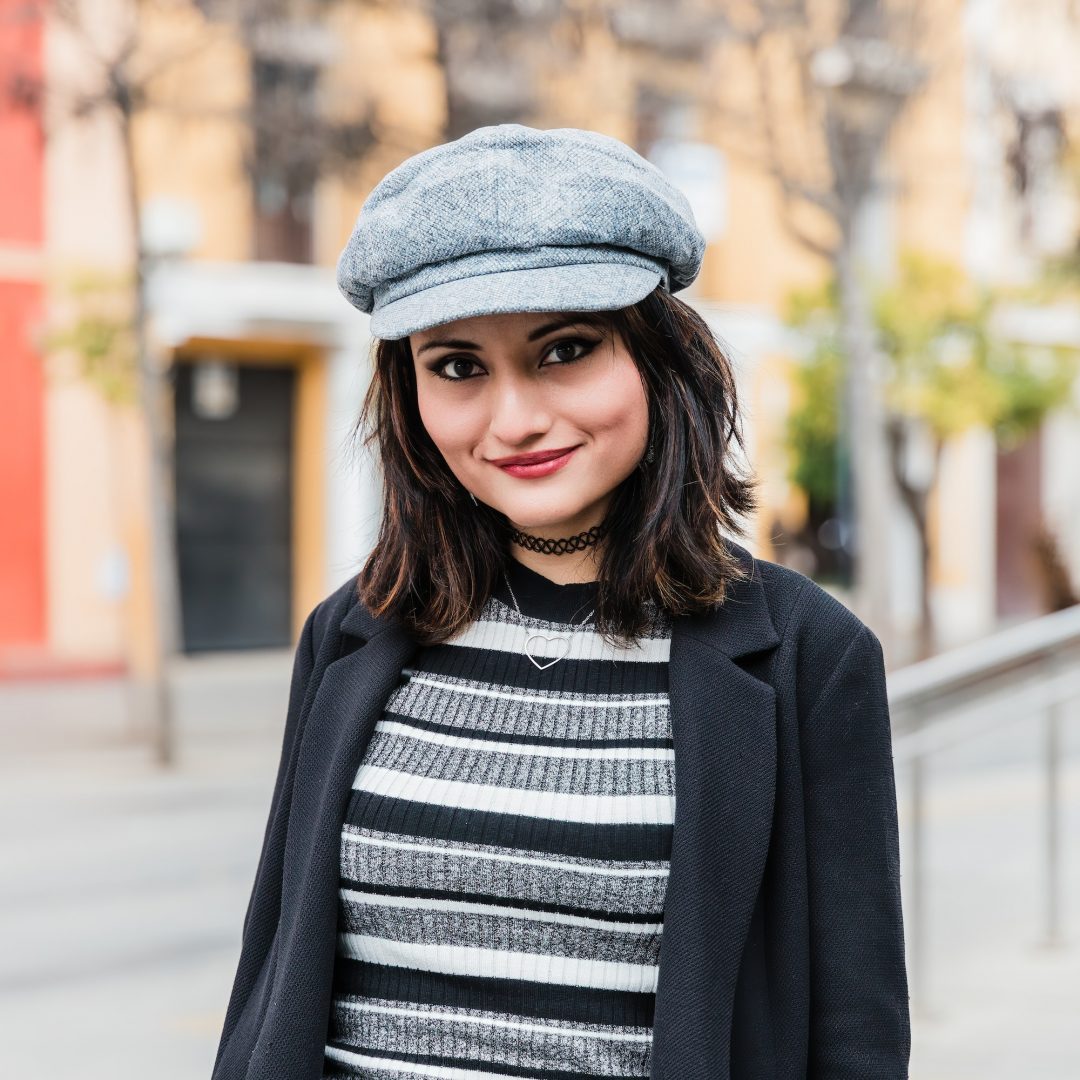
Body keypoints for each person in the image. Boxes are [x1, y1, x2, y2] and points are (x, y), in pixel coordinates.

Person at [212, 124, 910, 1080]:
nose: (516, 419)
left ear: (661, 362)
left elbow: (855, 1036)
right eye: (457, 366)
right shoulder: (354, 629)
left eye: (565, 349)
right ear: (407, 392)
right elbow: (269, 987)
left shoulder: (807, 655)